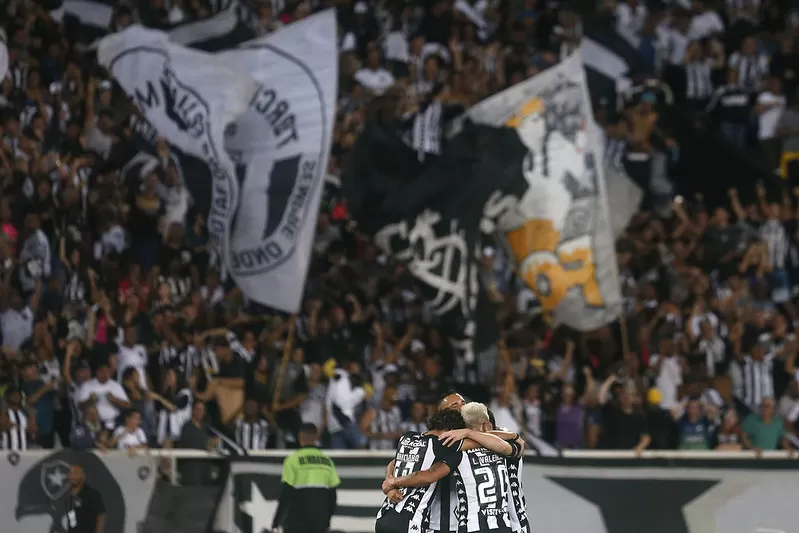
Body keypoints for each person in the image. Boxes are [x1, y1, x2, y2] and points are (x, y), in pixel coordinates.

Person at [383, 404, 523, 533]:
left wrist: (390, 482)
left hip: (389, 514)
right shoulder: (447, 446)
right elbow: (504, 446)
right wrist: (513, 435)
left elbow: (396, 463)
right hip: (504, 525)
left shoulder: (407, 437)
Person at [271, 423, 340, 533]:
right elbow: (332, 495)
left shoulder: (292, 460)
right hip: (320, 521)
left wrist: (276, 522)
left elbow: (286, 493)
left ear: (300, 437)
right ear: (316, 437)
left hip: (296, 521)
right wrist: (327, 519)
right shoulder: (328, 462)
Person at [64, 463, 105, 533]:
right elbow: (72, 520)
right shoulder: (69, 497)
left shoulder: (92, 494)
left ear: (83, 476)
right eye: (70, 473)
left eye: (76, 473)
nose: (72, 476)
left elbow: (101, 516)